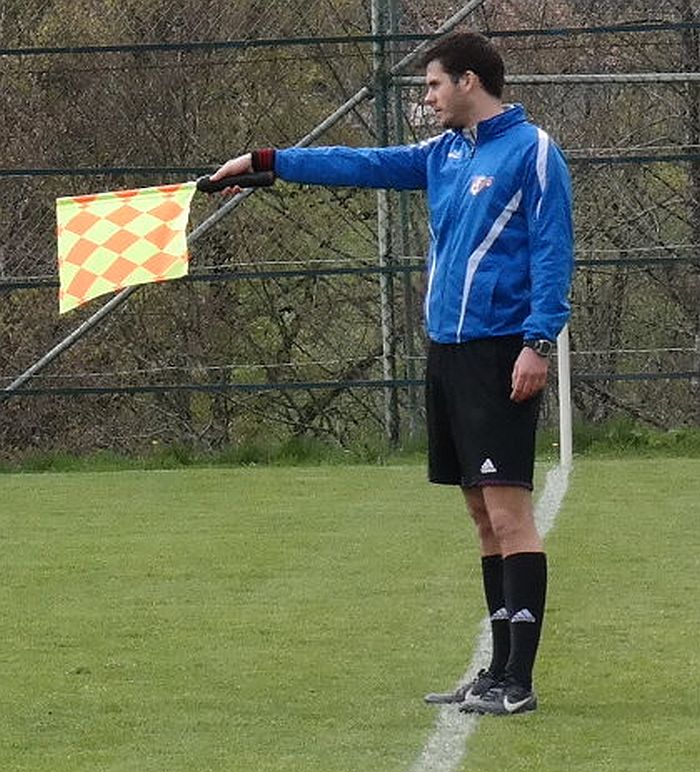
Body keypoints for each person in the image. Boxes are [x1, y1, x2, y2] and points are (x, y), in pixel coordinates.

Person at [210, 30, 574, 716]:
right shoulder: (444, 154)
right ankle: (495, 671)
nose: (427, 98)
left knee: (509, 513)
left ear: (468, 81)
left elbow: (554, 253)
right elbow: (361, 163)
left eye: (434, 84)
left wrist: (537, 342)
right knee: (480, 514)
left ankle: (519, 684)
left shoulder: (532, 150)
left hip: (501, 351)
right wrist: (269, 161)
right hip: (448, 353)